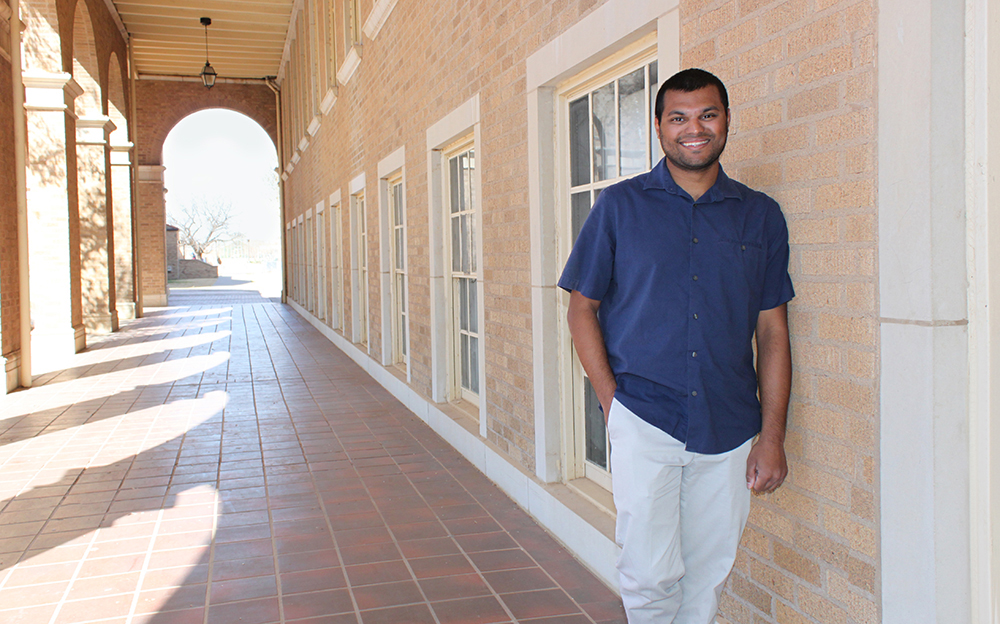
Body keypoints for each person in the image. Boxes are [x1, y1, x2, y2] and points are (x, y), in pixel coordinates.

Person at [558, 68, 794, 623]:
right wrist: (614, 404)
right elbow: (581, 308)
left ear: (726, 120)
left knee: (708, 574)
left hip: (730, 423)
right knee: (648, 576)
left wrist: (773, 436)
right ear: (659, 127)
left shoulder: (760, 215)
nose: (695, 129)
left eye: (707, 115)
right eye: (679, 118)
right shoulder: (618, 208)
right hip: (645, 415)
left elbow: (773, 331)